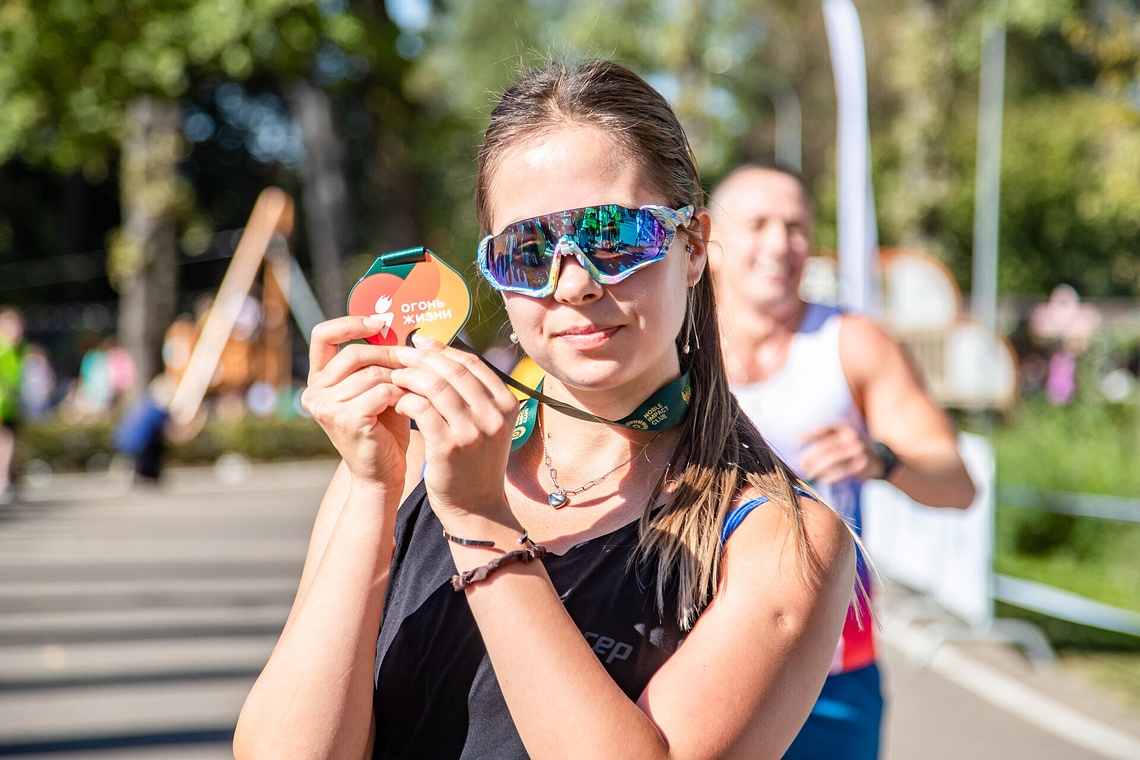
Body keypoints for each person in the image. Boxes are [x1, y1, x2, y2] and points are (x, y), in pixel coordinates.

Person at [235, 61, 857, 759]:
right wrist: (374, 487)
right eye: (527, 252)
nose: (573, 283)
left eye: (615, 235)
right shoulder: (407, 459)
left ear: (692, 247)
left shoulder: (779, 536)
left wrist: (478, 522)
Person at [707, 164, 977, 760]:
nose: (780, 243)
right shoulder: (674, 346)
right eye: (758, 224)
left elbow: (958, 485)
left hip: (834, 672)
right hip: (695, 663)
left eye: (797, 226)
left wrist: (883, 460)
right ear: (709, 240)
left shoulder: (851, 342)